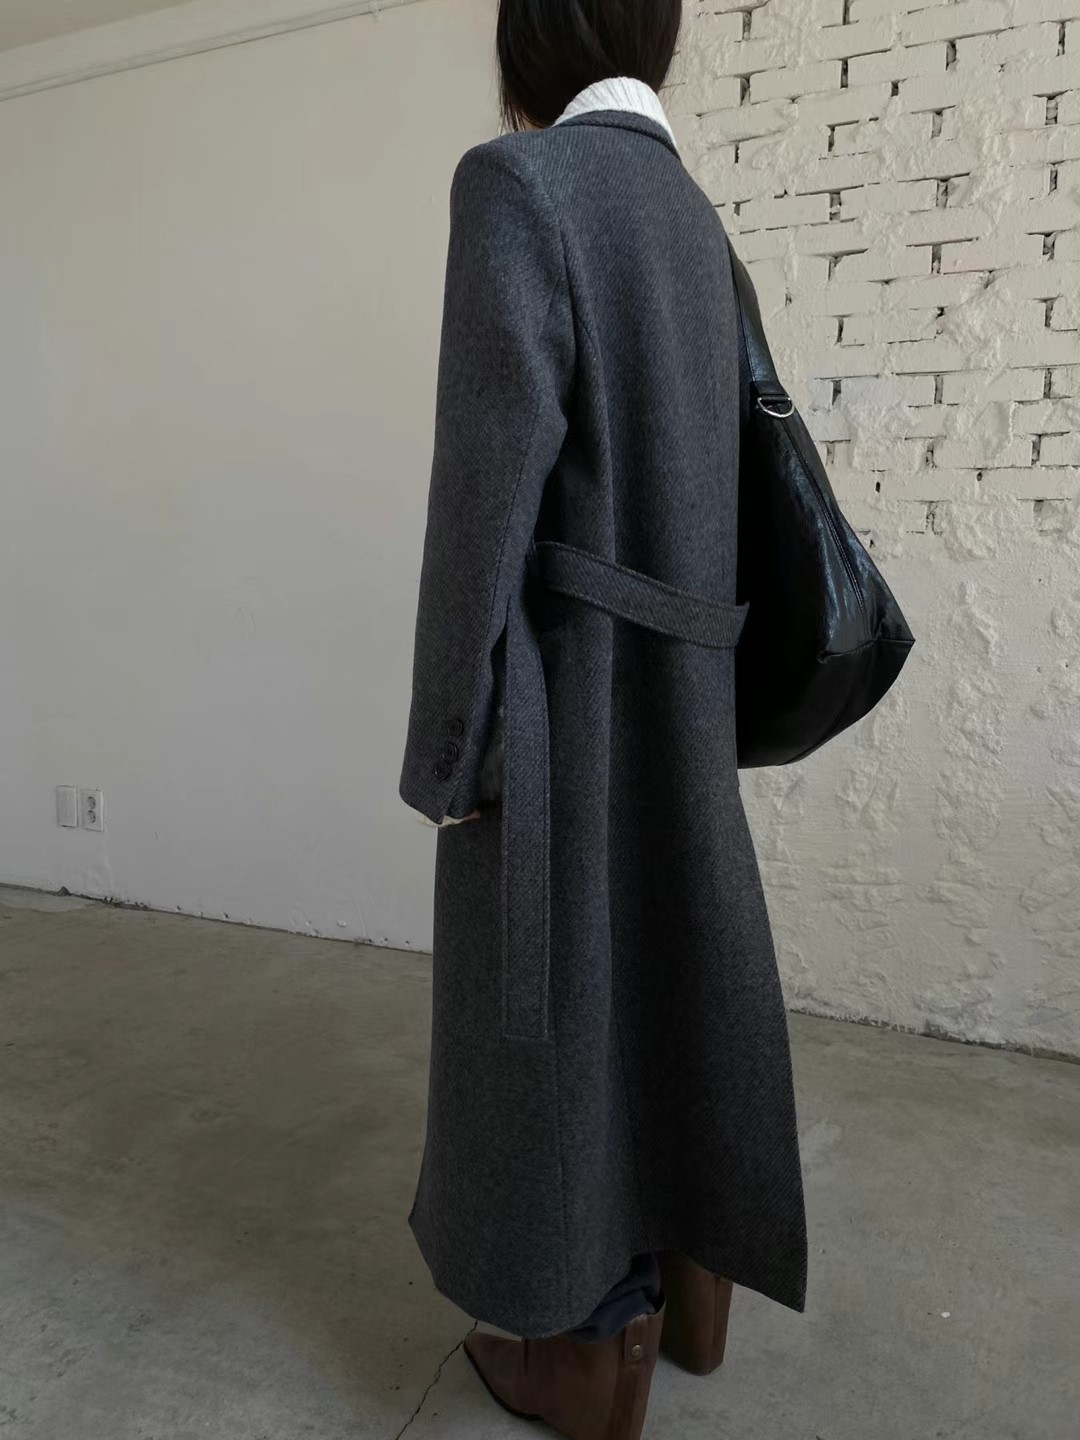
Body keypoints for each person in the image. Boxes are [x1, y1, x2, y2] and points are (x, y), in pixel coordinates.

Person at [399, 2, 807, 1435]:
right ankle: (693, 1294)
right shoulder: (697, 222)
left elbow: (483, 497)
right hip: (687, 673)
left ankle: (584, 1352)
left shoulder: (517, 185)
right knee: (675, 974)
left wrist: (449, 746)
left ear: (524, 49)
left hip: (567, 680)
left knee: (555, 1020)